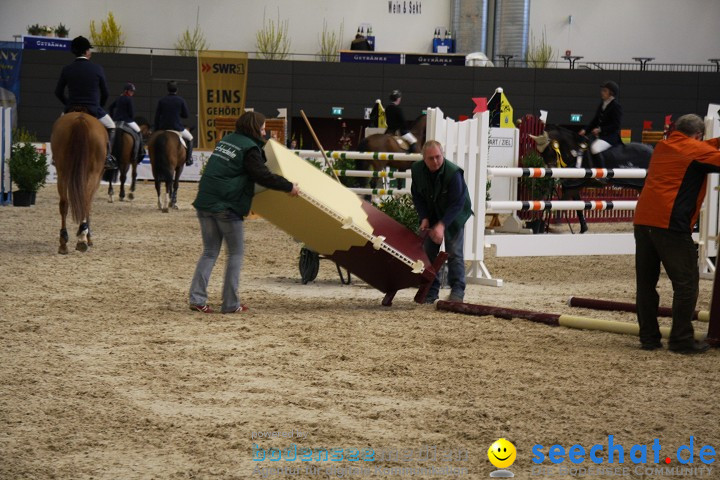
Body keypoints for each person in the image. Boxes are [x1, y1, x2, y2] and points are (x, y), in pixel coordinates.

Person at [189, 111, 300, 314]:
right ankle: (230, 303)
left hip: (205, 202)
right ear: (255, 128)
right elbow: (262, 175)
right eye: (263, 128)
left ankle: (197, 298)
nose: (265, 131)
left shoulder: (227, 140)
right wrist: (288, 186)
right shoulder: (249, 148)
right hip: (227, 206)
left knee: (209, 251)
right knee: (236, 253)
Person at [633, 113, 720, 354]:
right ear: (698, 135)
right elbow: (708, 155)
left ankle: (649, 338)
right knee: (686, 283)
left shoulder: (663, 146)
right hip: (670, 223)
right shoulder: (696, 150)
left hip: (643, 222)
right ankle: (681, 339)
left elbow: (700, 149)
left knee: (646, 284)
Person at [411, 140, 473, 304]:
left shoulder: (453, 173)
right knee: (428, 253)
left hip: (454, 214)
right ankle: (431, 292)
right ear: (423, 159)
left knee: (454, 253)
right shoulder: (416, 170)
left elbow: (458, 203)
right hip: (432, 212)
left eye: (438, 157)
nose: (436, 161)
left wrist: (442, 225)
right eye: (431, 158)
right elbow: (417, 195)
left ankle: (457, 292)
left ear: (442, 154)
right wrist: (424, 216)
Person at [54, 35, 117, 169]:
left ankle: (56, 157)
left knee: (57, 127)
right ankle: (107, 157)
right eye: (90, 50)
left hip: (71, 108)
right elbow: (105, 93)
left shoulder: (67, 69)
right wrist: (99, 106)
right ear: (87, 51)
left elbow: (58, 92)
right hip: (93, 109)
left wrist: (68, 104)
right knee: (111, 126)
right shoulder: (97, 69)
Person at [154, 80, 194, 166]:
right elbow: (186, 115)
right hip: (177, 127)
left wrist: (156, 129)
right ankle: (189, 159)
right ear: (177, 90)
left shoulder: (162, 100)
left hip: (163, 127)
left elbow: (157, 117)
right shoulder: (180, 100)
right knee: (190, 138)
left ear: (167, 89)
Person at [578, 81, 623, 154]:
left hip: (610, 137)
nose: (602, 92)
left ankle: (601, 165)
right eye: (602, 90)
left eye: (605, 91)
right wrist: (585, 130)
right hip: (600, 136)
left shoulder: (616, 106)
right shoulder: (602, 104)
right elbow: (595, 121)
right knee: (584, 145)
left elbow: (616, 125)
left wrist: (600, 129)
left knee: (595, 148)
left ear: (611, 94)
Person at [108, 82, 143, 164]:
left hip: (116, 121)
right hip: (127, 120)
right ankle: (138, 152)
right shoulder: (129, 99)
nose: (132, 93)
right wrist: (131, 118)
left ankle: (108, 154)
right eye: (131, 91)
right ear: (126, 91)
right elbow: (131, 113)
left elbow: (111, 107)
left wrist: (113, 117)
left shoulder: (119, 98)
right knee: (139, 132)